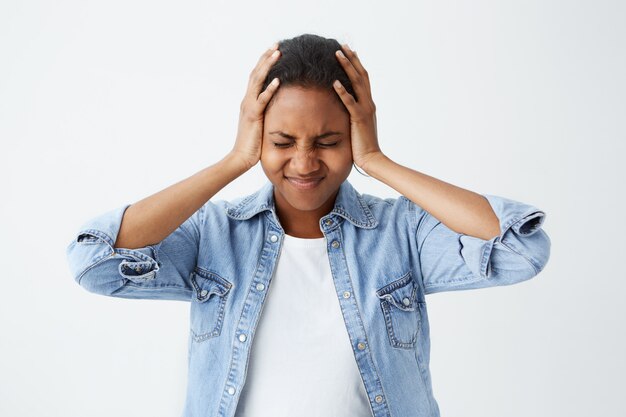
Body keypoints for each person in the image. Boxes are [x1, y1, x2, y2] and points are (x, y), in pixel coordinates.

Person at [66, 33, 551, 417]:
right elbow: (95, 261)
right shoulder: (213, 235)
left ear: (355, 135)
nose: (303, 162)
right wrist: (235, 159)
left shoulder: (401, 233)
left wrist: (377, 160)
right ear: (258, 136)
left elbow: (519, 250)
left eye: (328, 140)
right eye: (281, 141)